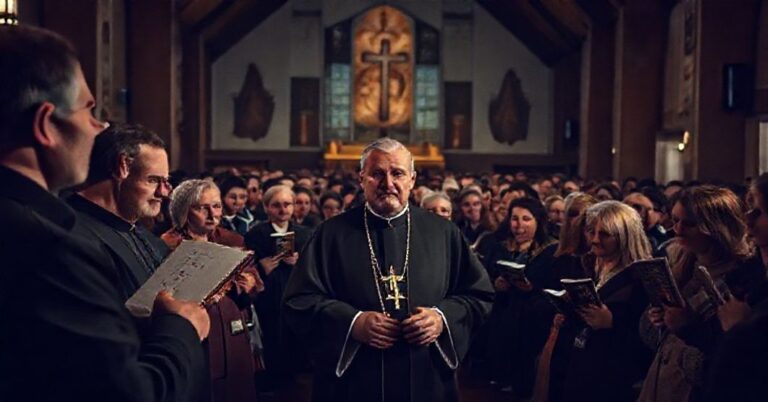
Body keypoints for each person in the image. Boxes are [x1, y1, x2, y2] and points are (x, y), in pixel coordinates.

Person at [0, 24, 209, 401]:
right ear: (46, 124)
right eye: (89, 110)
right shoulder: (50, 249)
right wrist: (179, 328)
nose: (99, 128)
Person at [282, 138, 494, 402]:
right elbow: (298, 300)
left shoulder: (443, 233)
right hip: (355, 381)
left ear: (412, 180)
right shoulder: (330, 234)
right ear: (362, 178)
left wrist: (442, 318)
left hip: (425, 376)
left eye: (397, 173)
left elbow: (479, 295)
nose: (388, 184)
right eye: (377, 174)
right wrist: (352, 323)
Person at [637, 186, 752, 402]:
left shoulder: (741, 278)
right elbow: (650, 338)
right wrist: (658, 318)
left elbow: (728, 361)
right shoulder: (681, 264)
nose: (677, 230)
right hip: (660, 384)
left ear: (715, 228)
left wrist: (687, 327)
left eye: (688, 224)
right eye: (675, 220)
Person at [163, 179, 261, 402]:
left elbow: (253, 279)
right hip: (195, 331)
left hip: (232, 327)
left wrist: (247, 282)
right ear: (183, 211)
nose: (212, 214)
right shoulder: (167, 244)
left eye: (216, 206)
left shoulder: (232, 239)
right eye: (202, 207)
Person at [66, 124, 171, 300]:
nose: (164, 192)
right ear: (121, 166)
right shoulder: (71, 233)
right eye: (153, 180)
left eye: (166, 182)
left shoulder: (149, 238)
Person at [562, 201, 652, 402]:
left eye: (604, 234)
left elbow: (648, 341)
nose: (594, 240)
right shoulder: (589, 265)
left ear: (624, 237)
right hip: (581, 363)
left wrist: (612, 324)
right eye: (591, 231)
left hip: (613, 375)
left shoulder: (641, 279)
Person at [482, 197, 557, 398]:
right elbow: (483, 277)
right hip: (502, 315)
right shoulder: (498, 246)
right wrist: (495, 284)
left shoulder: (550, 251)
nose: (519, 225)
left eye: (526, 219)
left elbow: (554, 287)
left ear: (537, 222)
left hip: (532, 321)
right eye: (515, 219)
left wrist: (532, 288)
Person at [244, 185, 311, 390]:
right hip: (268, 297)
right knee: (271, 339)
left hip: (295, 293)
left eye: (287, 204)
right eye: (276, 205)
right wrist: (261, 267)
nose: (283, 210)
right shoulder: (256, 234)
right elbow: (246, 268)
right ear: (266, 208)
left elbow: (314, 267)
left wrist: (300, 261)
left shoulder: (305, 234)